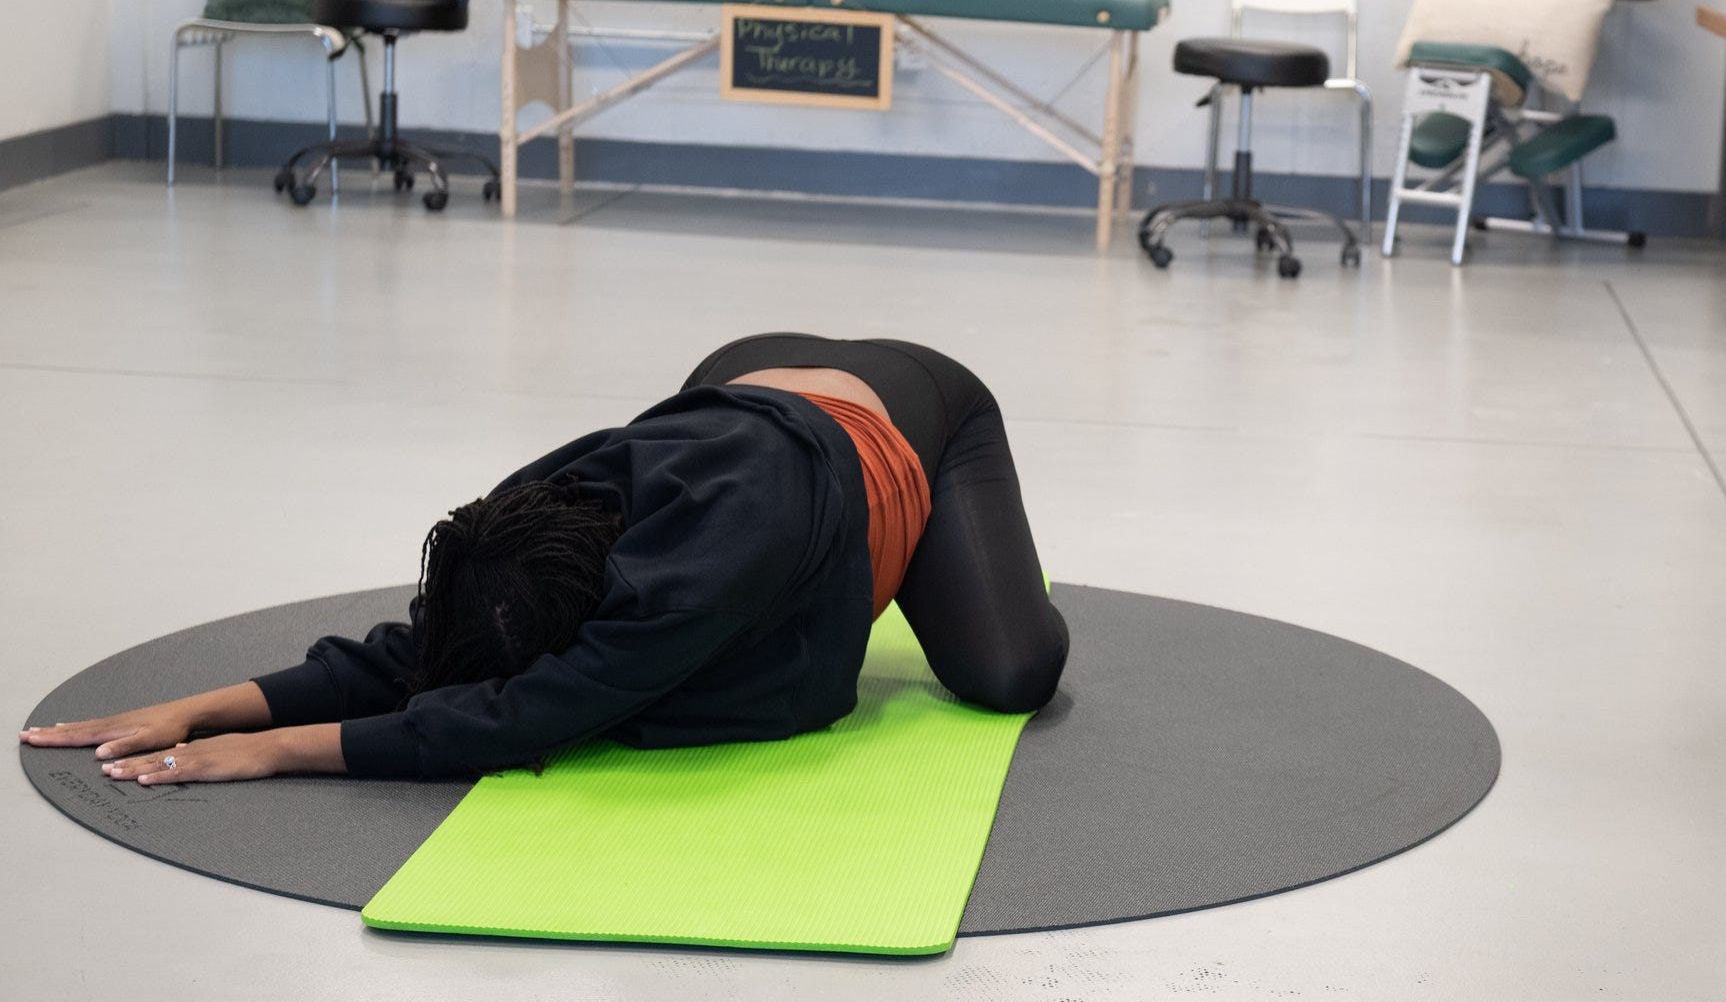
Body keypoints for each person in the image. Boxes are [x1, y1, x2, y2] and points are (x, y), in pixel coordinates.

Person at [21, 336, 1066, 782]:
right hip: (742, 374)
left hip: (913, 399)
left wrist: (274, 751)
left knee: (1010, 672)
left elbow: (525, 714)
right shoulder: (536, 513)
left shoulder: (680, 592)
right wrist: (211, 706)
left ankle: (935, 505)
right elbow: (428, 648)